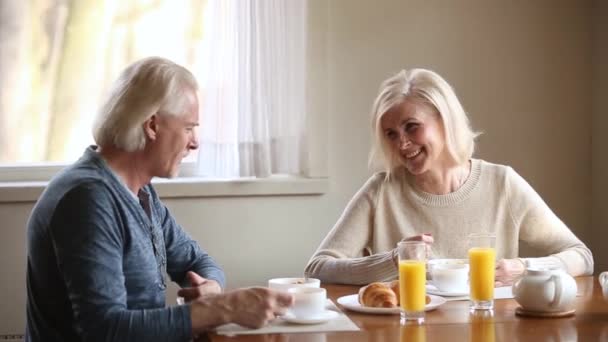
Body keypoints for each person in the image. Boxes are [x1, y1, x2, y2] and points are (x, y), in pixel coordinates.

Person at [25, 57, 293, 342]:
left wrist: (211, 287)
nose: (195, 142)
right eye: (189, 128)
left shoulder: (139, 191)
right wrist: (223, 308)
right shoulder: (88, 200)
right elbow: (105, 330)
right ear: (152, 125)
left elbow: (198, 260)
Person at [304, 68, 594, 286]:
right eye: (391, 134)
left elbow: (581, 256)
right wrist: (394, 260)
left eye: (412, 127)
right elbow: (318, 267)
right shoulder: (382, 191)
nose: (401, 144)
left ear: (445, 121)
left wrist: (523, 267)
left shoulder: (502, 184)